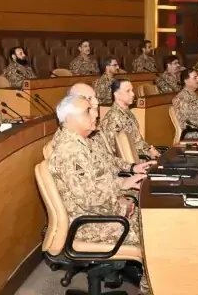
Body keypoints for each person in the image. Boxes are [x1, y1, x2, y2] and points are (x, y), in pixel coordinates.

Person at [48, 94, 151, 294]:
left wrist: (123, 185)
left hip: (99, 213)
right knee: (152, 233)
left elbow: (101, 182)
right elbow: (89, 200)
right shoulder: (70, 151)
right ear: (69, 118)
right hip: (88, 224)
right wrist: (123, 206)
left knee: (152, 219)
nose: (95, 114)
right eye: (88, 111)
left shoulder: (82, 142)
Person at [67, 83, 154, 175]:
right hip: (116, 181)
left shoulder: (94, 134)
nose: (97, 102)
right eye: (89, 98)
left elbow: (110, 159)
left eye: (95, 97)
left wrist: (132, 167)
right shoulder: (70, 146)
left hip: (119, 178)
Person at [101, 78, 160, 159]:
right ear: (116, 94)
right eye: (128, 91)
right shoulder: (113, 118)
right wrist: (148, 154)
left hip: (144, 155)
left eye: (132, 90)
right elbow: (118, 153)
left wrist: (150, 150)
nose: (132, 94)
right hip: (137, 161)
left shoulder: (127, 112)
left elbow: (137, 141)